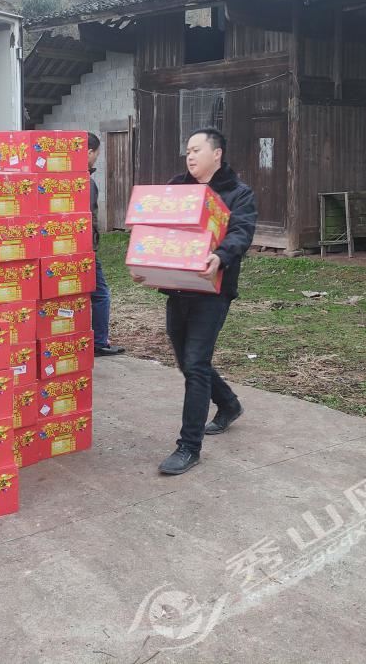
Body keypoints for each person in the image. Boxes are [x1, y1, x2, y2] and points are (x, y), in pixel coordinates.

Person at [132, 128, 257, 476]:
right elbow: (157, 229)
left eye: (197, 150)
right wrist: (143, 262)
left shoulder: (238, 193)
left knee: (196, 364)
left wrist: (220, 256)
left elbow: (241, 232)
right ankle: (229, 404)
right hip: (178, 287)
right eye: (187, 151)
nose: (190, 156)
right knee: (188, 362)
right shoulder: (178, 188)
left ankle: (189, 447)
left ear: (217, 154)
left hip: (212, 290)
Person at [87, 132, 123, 357]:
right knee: (101, 295)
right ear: (89, 152)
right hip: (85, 251)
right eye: (96, 155)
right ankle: (99, 342)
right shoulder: (86, 183)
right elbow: (86, 217)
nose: (96, 159)